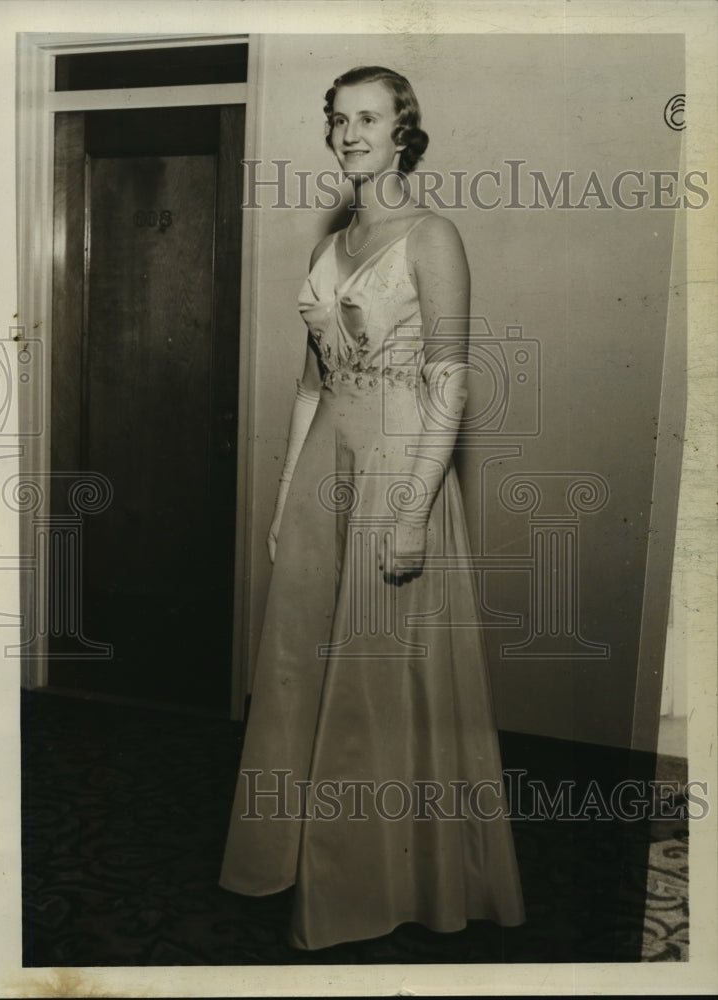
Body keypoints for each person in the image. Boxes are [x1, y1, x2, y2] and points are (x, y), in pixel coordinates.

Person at [219, 65, 525, 951]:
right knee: (293, 664)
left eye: (368, 118)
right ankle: (286, 854)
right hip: (325, 468)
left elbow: (451, 382)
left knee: (377, 673)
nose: (350, 133)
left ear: (402, 132)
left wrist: (412, 514)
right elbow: (310, 387)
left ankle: (375, 881)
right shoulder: (333, 242)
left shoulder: (432, 235)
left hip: (398, 468)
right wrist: (284, 504)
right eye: (337, 119)